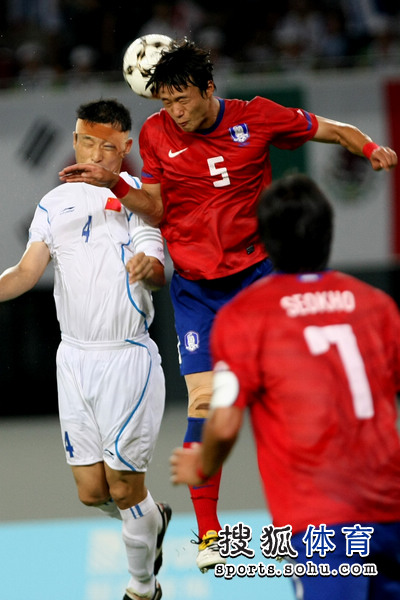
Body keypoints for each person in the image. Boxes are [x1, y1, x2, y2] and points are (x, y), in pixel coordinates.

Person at [58, 39, 398, 573]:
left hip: (259, 277)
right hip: (197, 289)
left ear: (208, 89)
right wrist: (117, 183)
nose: (175, 112)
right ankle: (209, 534)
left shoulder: (256, 117)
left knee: (297, 398)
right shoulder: (154, 133)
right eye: (165, 101)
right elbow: (155, 208)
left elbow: (332, 129)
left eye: (183, 100)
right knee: (203, 402)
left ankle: (338, 507)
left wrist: (370, 146)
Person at [170, 173, 400, 600]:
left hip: (321, 521)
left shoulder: (246, 317)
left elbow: (222, 423)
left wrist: (202, 465)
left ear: (265, 241)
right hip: (393, 506)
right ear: (328, 234)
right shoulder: (376, 305)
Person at [0, 99, 170, 600]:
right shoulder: (53, 204)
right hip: (72, 360)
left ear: (126, 148)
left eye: (107, 145)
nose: (95, 153)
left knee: (122, 486)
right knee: (93, 494)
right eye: (87, 141)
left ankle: (142, 588)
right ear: (75, 142)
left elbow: (159, 271)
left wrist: (147, 271)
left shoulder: (140, 197)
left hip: (127, 358)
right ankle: (151, 514)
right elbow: (27, 272)